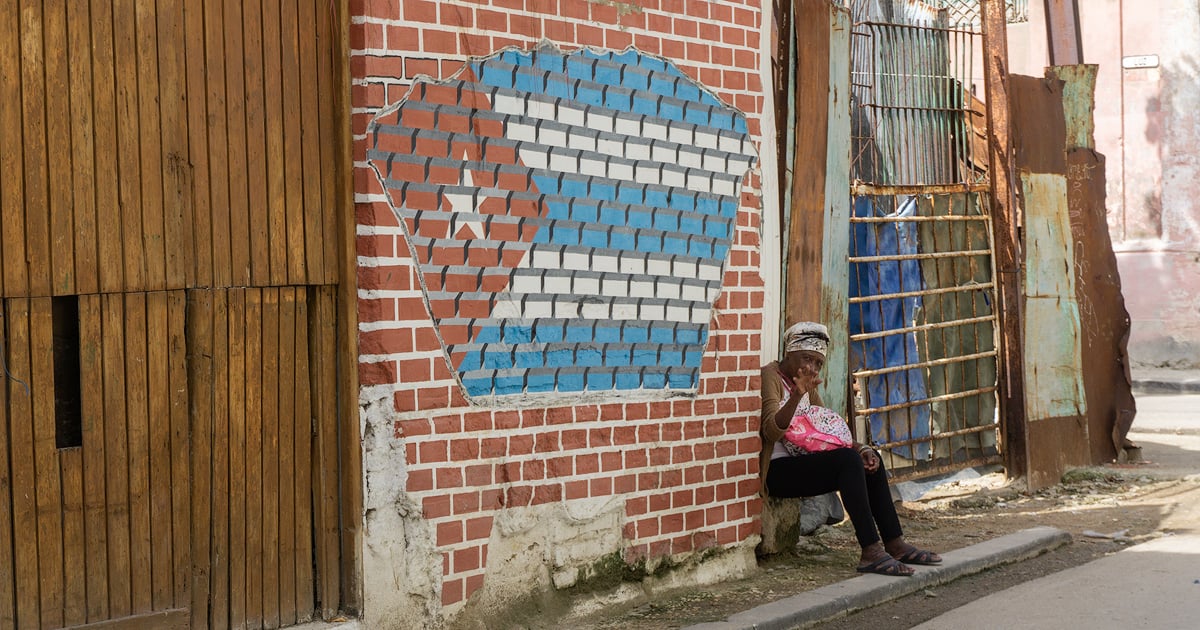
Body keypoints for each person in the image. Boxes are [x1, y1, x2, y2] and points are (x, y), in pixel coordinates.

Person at [760, 322, 941, 576]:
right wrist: (795, 396)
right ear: (789, 353)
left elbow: (825, 431)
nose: (811, 368)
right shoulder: (772, 375)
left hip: (804, 464)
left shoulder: (806, 384)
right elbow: (771, 430)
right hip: (779, 472)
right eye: (806, 359)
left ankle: (894, 543)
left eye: (817, 364)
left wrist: (862, 448)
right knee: (847, 461)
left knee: (867, 459)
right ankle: (871, 551)